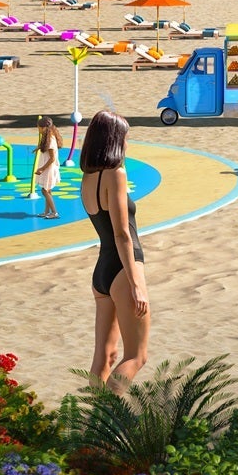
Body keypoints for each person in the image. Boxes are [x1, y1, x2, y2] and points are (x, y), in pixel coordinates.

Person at [80, 110, 149, 388]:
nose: (128, 144)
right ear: (114, 141)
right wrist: (136, 284)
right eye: (125, 138)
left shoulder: (87, 179)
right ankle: (111, 420)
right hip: (123, 268)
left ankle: (92, 421)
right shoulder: (115, 174)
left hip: (102, 273)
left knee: (105, 357)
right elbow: (122, 234)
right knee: (136, 356)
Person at [35, 116, 60, 219]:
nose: (38, 130)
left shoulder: (50, 140)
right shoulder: (49, 137)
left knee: (44, 190)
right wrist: (39, 148)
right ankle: (46, 211)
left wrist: (42, 169)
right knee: (47, 190)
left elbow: (52, 158)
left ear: (44, 127)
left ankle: (54, 212)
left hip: (49, 169)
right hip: (49, 168)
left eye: (39, 128)